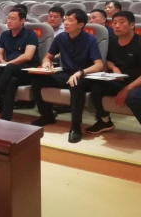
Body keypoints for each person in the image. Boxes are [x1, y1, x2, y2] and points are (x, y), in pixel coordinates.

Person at [87, 11, 141, 157]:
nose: (117, 26)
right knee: (97, 87)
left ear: (132, 25)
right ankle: (105, 121)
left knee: (133, 98)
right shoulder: (113, 41)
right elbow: (109, 61)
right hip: (125, 80)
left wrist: (125, 90)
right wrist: (114, 68)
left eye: (122, 22)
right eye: (114, 23)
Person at [30, 9, 104, 143]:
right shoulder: (61, 37)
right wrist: (46, 63)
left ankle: (76, 126)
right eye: (66, 20)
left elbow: (99, 65)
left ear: (80, 25)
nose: (66, 23)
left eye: (70, 20)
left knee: (76, 84)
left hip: (84, 76)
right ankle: (47, 115)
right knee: (37, 78)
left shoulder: (90, 40)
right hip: (66, 74)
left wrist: (81, 72)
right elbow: (48, 57)